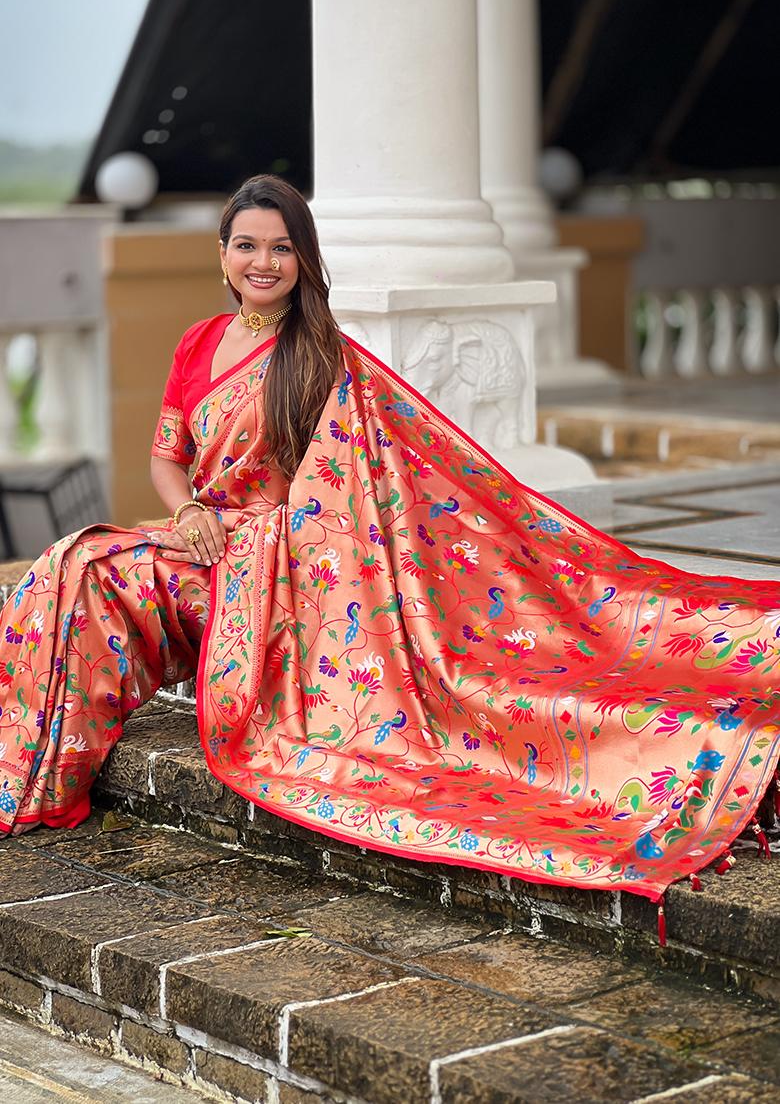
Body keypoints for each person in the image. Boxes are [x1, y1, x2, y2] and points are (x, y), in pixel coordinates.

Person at [1, 176, 778, 925]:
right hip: (200, 537)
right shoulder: (200, 342)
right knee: (68, 563)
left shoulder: (319, 357)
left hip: (276, 571)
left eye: (280, 248)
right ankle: (35, 763)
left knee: (95, 568)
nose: (261, 263)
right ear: (221, 252)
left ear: (304, 258)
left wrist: (248, 537)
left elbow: (334, 497)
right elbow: (166, 457)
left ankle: (44, 773)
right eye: (246, 245)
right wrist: (192, 510)